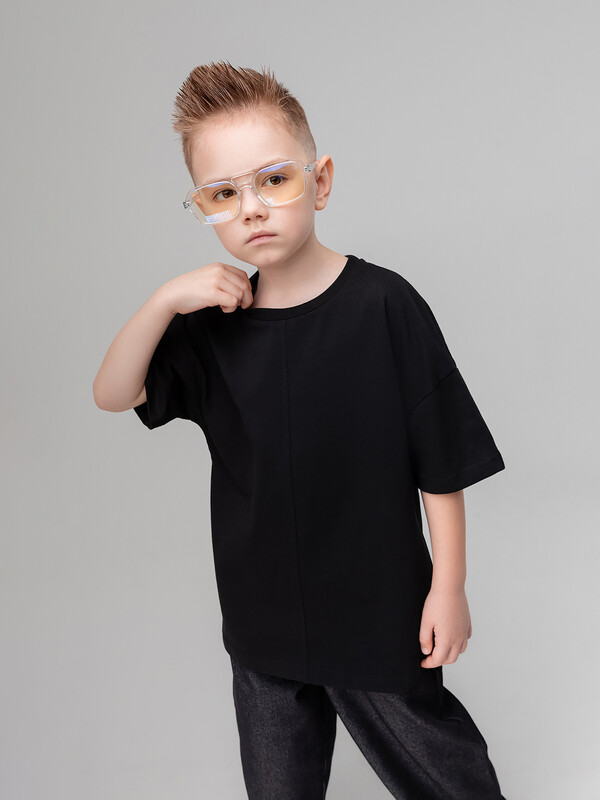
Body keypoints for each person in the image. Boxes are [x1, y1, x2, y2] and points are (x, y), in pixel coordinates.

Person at [93, 61, 508, 800]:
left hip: (378, 612)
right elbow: (112, 393)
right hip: (262, 619)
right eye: (224, 194)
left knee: (449, 781)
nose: (252, 209)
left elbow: (441, 464)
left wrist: (449, 588)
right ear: (204, 206)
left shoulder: (385, 306)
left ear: (320, 181)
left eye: (274, 180)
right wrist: (163, 300)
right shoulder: (211, 328)